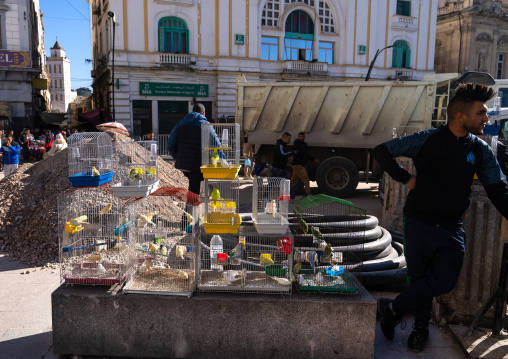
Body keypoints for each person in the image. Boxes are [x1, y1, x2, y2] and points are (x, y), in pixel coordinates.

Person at [373, 83, 508, 352]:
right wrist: (407, 179)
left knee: (444, 280)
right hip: (418, 223)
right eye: (481, 112)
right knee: (419, 279)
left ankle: (393, 308)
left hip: (451, 228)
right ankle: (420, 328)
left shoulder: (480, 150)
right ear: (461, 115)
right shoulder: (427, 139)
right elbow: (382, 151)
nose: (487, 118)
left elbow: (498, 189)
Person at [167, 103, 210, 195]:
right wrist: (221, 158)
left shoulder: (180, 123)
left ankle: (192, 207)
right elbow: (215, 143)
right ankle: (190, 208)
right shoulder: (205, 124)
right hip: (198, 164)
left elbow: (170, 144)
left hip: (183, 164)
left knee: (194, 188)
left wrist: (178, 158)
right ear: (203, 113)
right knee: (194, 191)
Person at [291, 132, 319, 197]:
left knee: (293, 180)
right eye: (300, 136)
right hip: (298, 165)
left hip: (299, 165)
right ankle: (308, 194)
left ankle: (285, 190)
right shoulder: (296, 144)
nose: (302, 138)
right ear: (298, 137)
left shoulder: (304, 145)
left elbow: (306, 155)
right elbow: (296, 154)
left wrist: (314, 159)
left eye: (303, 137)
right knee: (306, 179)